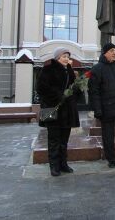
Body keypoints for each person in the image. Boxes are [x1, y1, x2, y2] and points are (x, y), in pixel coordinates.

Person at [37, 47, 80, 177]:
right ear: (57, 58)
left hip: (67, 112)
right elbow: (41, 88)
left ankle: (63, 164)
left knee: (64, 140)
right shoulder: (48, 69)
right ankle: (54, 166)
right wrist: (58, 96)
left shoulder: (69, 71)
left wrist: (75, 91)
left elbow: (74, 89)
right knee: (54, 140)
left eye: (68, 56)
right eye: (64, 56)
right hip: (53, 110)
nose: (66, 59)